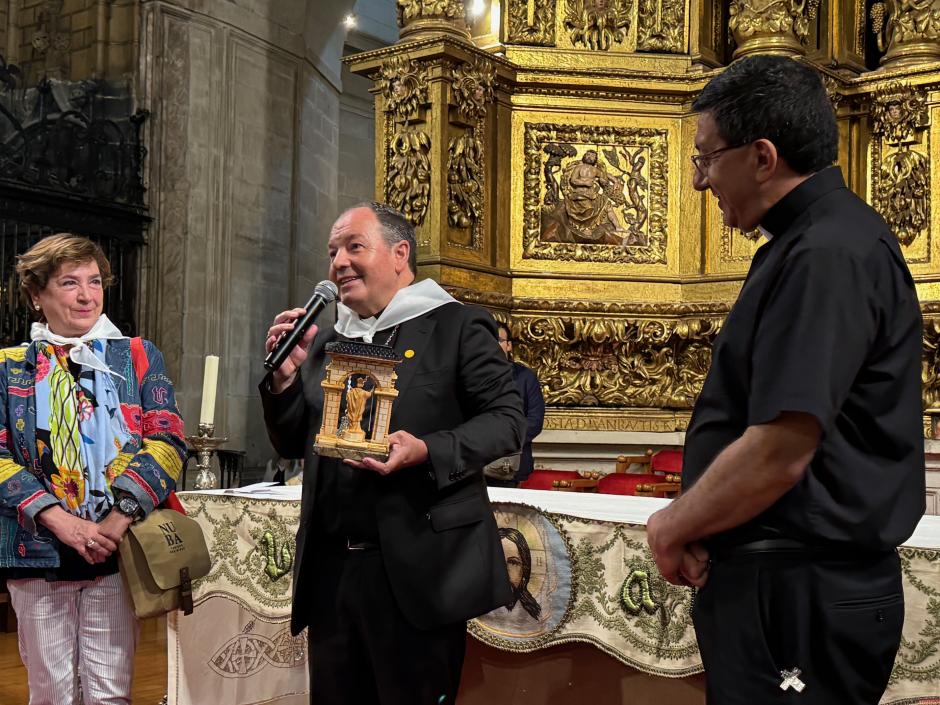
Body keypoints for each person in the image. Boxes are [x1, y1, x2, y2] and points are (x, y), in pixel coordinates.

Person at [646, 55, 925, 705]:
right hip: (790, 586)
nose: (698, 180)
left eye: (707, 157)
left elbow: (780, 448)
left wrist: (674, 524)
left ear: (762, 157)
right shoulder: (816, 241)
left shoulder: (825, 253)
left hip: (800, 592)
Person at [260, 201, 525, 705]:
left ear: (400, 253)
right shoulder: (327, 338)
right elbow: (292, 441)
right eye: (333, 250)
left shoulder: (457, 326)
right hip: (333, 570)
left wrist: (429, 448)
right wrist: (284, 381)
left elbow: (507, 421)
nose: (338, 261)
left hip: (417, 569)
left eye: (354, 246)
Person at [0, 234, 186, 705]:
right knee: (51, 692)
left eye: (94, 281)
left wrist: (116, 519)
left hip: (116, 548)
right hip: (38, 549)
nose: (86, 295)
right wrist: (59, 521)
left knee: (109, 693)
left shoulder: (137, 355)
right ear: (37, 294)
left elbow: (166, 439)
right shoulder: (8, 368)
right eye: (69, 283)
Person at [486, 322, 544, 487]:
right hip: (475, 465)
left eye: (498, 340)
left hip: (513, 465)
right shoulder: (469, 375)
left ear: (509, 345)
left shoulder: (525, 377)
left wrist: (503, 441)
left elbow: (535, 421)